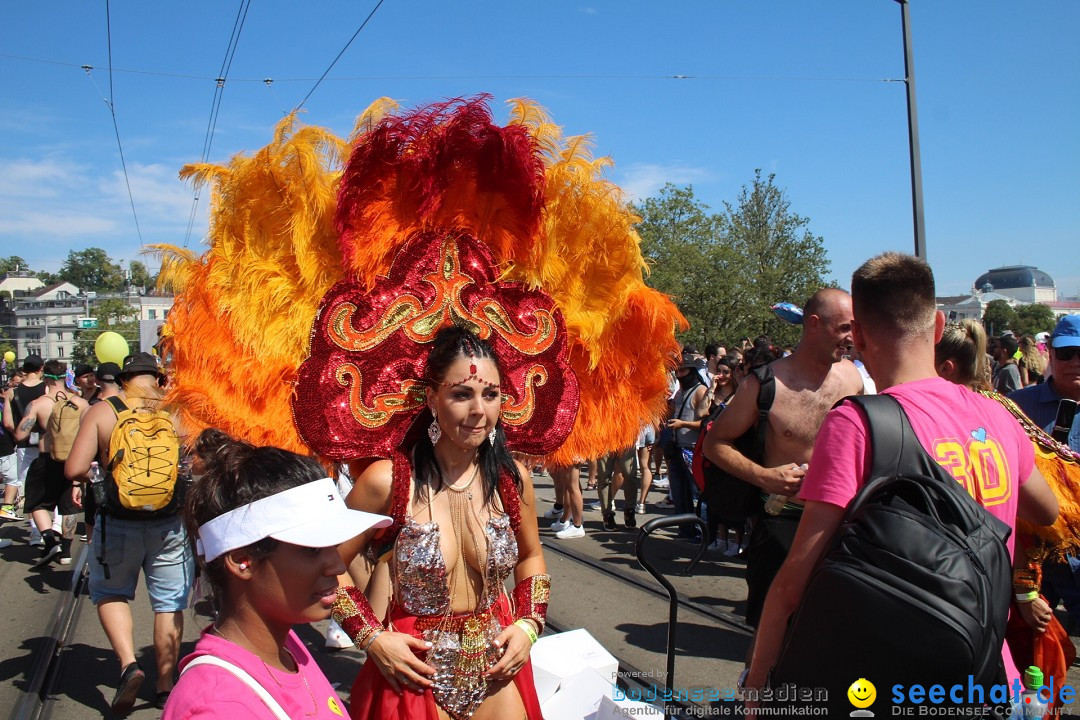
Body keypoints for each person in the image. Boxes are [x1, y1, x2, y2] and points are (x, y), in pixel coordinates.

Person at [744, 252, 1058, 698]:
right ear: (937, 326)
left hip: (889, 677)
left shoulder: (858, 422)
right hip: (988, 676)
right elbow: (1046, 511)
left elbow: (796, 578)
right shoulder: (997, 415)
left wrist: (757, 685)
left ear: (860, 339)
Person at [332, 327, 548, 720]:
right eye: (462, 394)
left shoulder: (512, 479)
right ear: (432, 398)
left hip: (497, 664)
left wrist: (529, 625)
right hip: (414, 672)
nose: (479, 410)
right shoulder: (388, 481)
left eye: (491, 394)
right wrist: (373, 638)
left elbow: (530, 556)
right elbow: (324, 565)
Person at [162, 429, 391, 719]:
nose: (337, 566)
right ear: (242, 560)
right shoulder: (218, 707)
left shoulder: (285, 644)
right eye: (311, 549)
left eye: (333, 545)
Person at [702, 288, 863, 627]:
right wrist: (764, 476)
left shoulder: (852, 378)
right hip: (782, 526)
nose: (852, 337)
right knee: (769, 633)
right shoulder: (765, 383)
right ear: (815, 324)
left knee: (828, 633)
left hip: (841, 530)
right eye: (845, 328)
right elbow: (714, 444)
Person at [65, 352, 195, 714]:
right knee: (169, 602)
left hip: (117, 520)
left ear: (123, 379)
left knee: (110, 593)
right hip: (170, 522)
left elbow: (74, 468)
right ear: (158, 379)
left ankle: (128, 665)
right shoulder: (179, 411)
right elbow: (199, 461)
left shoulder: (104, 411)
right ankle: (165, 686)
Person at [11, 359, 88, 566]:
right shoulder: (79, 402)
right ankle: (66, 551)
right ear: (66, 377)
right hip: (74, 459)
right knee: (70, 507)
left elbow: (20, 434)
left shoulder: (39, 404)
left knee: (36, 502)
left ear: (45, 377)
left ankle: (49, 539)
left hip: (47, 459)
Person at [0, 354, 45, 524]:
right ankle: (53, 525)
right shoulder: (47, 389)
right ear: (41, 368)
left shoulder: (12, 392)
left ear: (24, 370)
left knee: (28, 486)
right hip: (45, 443)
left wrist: (18, 434)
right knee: (49, 484)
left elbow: (8, 423)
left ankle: (35, 531)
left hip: (23, 445)